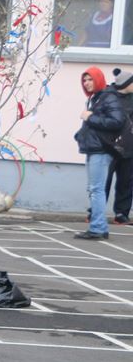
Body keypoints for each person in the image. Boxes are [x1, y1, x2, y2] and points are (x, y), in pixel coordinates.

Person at [74, 66, 126, 240]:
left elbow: (117, 121)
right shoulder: (95, 98)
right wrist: (80, 135)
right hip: (94, 148)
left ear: (99, 79)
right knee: (94, 189)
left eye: (90, 79)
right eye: (84, 80)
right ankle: (99, 227)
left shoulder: (108, 97)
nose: (87, 83)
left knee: (96, 189)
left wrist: (90, 117)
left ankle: (97, 228)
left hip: (101, 150)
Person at [106, 68, 133, 224]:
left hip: (129, 147)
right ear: (126, 83)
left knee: (126, 182)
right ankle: (95, 212)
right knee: (103, 181)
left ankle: (122, 214)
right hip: (109, 147)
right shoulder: (108, 96)